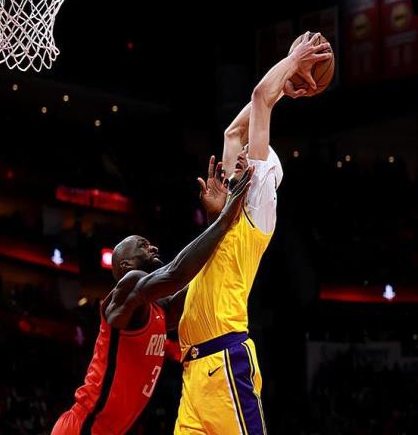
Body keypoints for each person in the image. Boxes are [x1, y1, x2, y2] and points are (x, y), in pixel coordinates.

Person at [175, 32, 332, 434]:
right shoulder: (228, 214)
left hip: (225, 359)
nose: (242, 154)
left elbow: (260, 97)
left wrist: (291, 62)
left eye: (250, 155)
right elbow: (233, 132)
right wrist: (283, 89)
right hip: (193, 372)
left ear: (263, 173)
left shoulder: (259, 207)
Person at [51, 167, 253, 435]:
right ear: (125, 264)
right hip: (82, 426)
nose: (153, 247)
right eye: (143, 246)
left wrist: (214, 219)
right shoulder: (127, 288)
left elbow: (198, 285)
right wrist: (225, 218)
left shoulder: (158, 311)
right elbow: (176, 274)